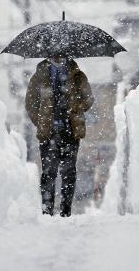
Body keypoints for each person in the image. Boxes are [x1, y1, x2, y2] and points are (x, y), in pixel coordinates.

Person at [25, 55, 93, 217]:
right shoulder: (39, 76)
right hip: (48, 133)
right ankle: (47, 210)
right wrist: (41, 121)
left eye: (62, 52)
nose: (58, 55)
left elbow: (88, 100)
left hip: (70, 130)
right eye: (55, 52)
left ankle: (65, 211)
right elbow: (30, 103)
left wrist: (76, 106)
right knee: (49, 172)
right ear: (49, 54)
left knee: (69, 172)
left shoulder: (78, 76)